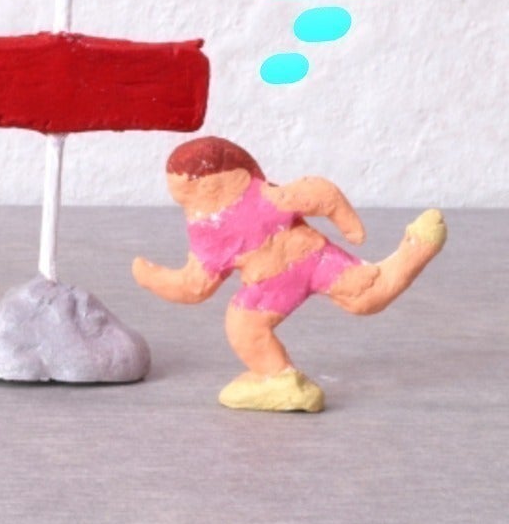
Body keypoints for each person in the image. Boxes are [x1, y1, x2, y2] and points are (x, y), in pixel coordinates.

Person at [132, 136, 446, 412]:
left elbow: (317, 193)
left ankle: (417, 247)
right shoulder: (209, 231)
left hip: (305, 259)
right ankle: (279, 378)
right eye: (186, 193)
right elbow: (195, 284)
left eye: (206, 186)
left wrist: (348, 222)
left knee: (363, 297)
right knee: (247, 329)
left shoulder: (262, 198)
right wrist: (154, 278)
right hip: (280, 277)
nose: (199, 195)